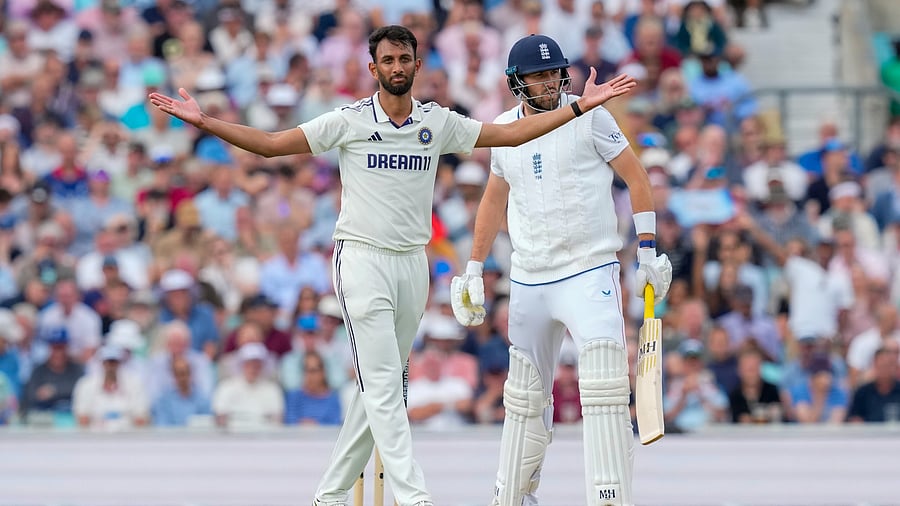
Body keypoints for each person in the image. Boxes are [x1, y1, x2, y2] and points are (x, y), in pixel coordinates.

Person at [149, 24, 635, 506]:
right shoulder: (348, 120)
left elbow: (509, 135)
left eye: (405, 60)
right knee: (385, 387)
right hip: (360, 259)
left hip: (411, 266)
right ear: (373, 68)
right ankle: (415, 496)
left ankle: (330, 494)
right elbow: (273, 144)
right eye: (388, 61)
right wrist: (205, 121)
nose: (397, 68)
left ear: (417, 65)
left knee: (377, 389)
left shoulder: (437, 121)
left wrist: (579, 107)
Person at [449, 34, 670, 506]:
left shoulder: (592, 116)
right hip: (529, 278)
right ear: (516, 82)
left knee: (605, 389)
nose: (549, 82)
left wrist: (648, 250)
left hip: (590, 270)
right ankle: (512, 497)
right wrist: (473, 266)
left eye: (554, 73)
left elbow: (637, 177)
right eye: (538, 75)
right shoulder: (505, 129)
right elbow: (493, 198)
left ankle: (609, 499)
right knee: (524, 400)